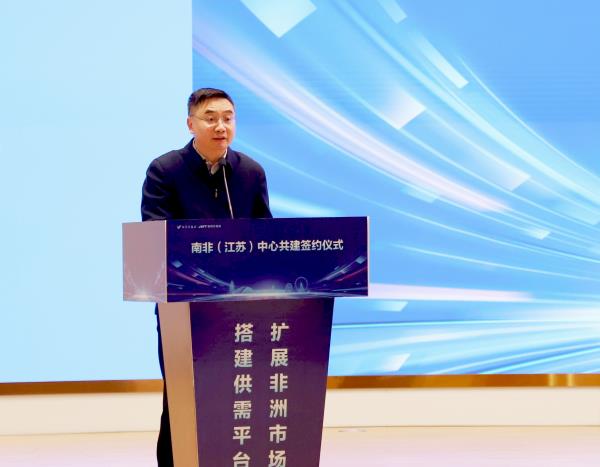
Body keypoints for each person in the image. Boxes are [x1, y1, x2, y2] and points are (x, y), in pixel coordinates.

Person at [141, 87, 272, 466]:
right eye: (210, 118)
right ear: (190, 124)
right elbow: (155, 237)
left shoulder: (250, 172)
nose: (220, 127)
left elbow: (267, 238)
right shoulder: (165, 171)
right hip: (183, 309)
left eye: (228, 118)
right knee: (183, 397)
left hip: (240, 308)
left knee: (237, 394)